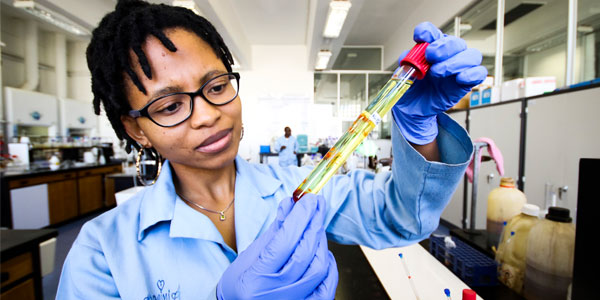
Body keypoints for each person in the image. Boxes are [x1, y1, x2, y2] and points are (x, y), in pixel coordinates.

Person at [56, 1, 487, 299]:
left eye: (217, 86)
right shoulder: (102, 252)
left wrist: (418, 127)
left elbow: (402, 218)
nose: (207, 114)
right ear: (136, 129)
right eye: (171, 105)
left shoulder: (298, 187)